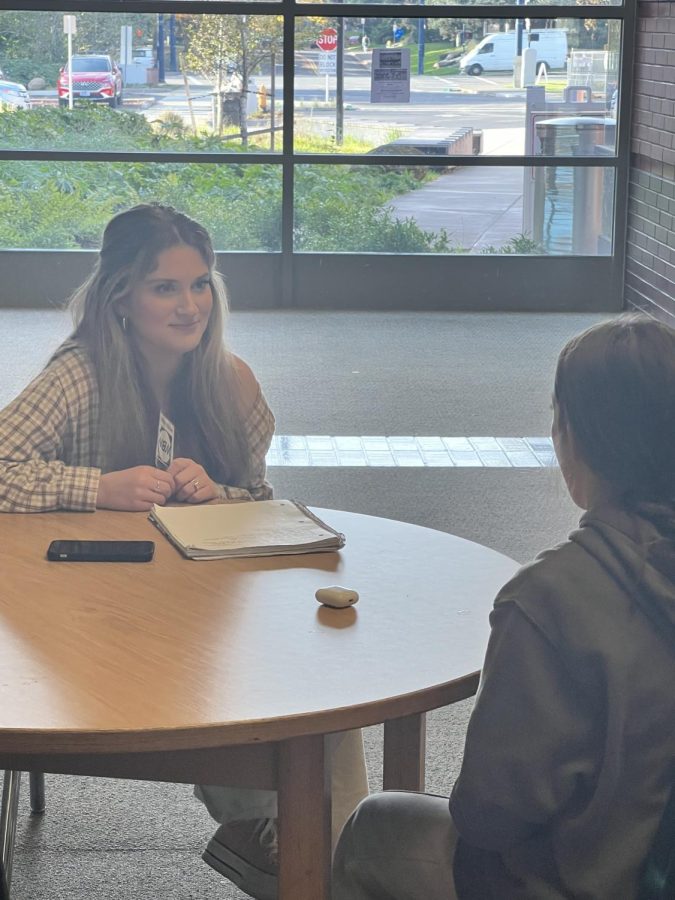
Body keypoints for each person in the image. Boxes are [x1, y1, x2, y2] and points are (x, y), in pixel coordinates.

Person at [0, 203, 369, 899]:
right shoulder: (79, 375)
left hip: (200, 596)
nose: (189, 305)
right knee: (215, 671)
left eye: (200, 284)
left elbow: (261, 499)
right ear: (121, 297)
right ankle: (287, 840)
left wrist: (220, 496)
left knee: (322, 680)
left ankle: (325, 848)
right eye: (164, 288)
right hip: (87, 616)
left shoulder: (231, 381)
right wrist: (98, 487)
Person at [333, 314, 675, 900]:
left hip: (594, 880)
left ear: (576, 436)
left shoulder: (555, 596)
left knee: (376, 828)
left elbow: (493, 813)